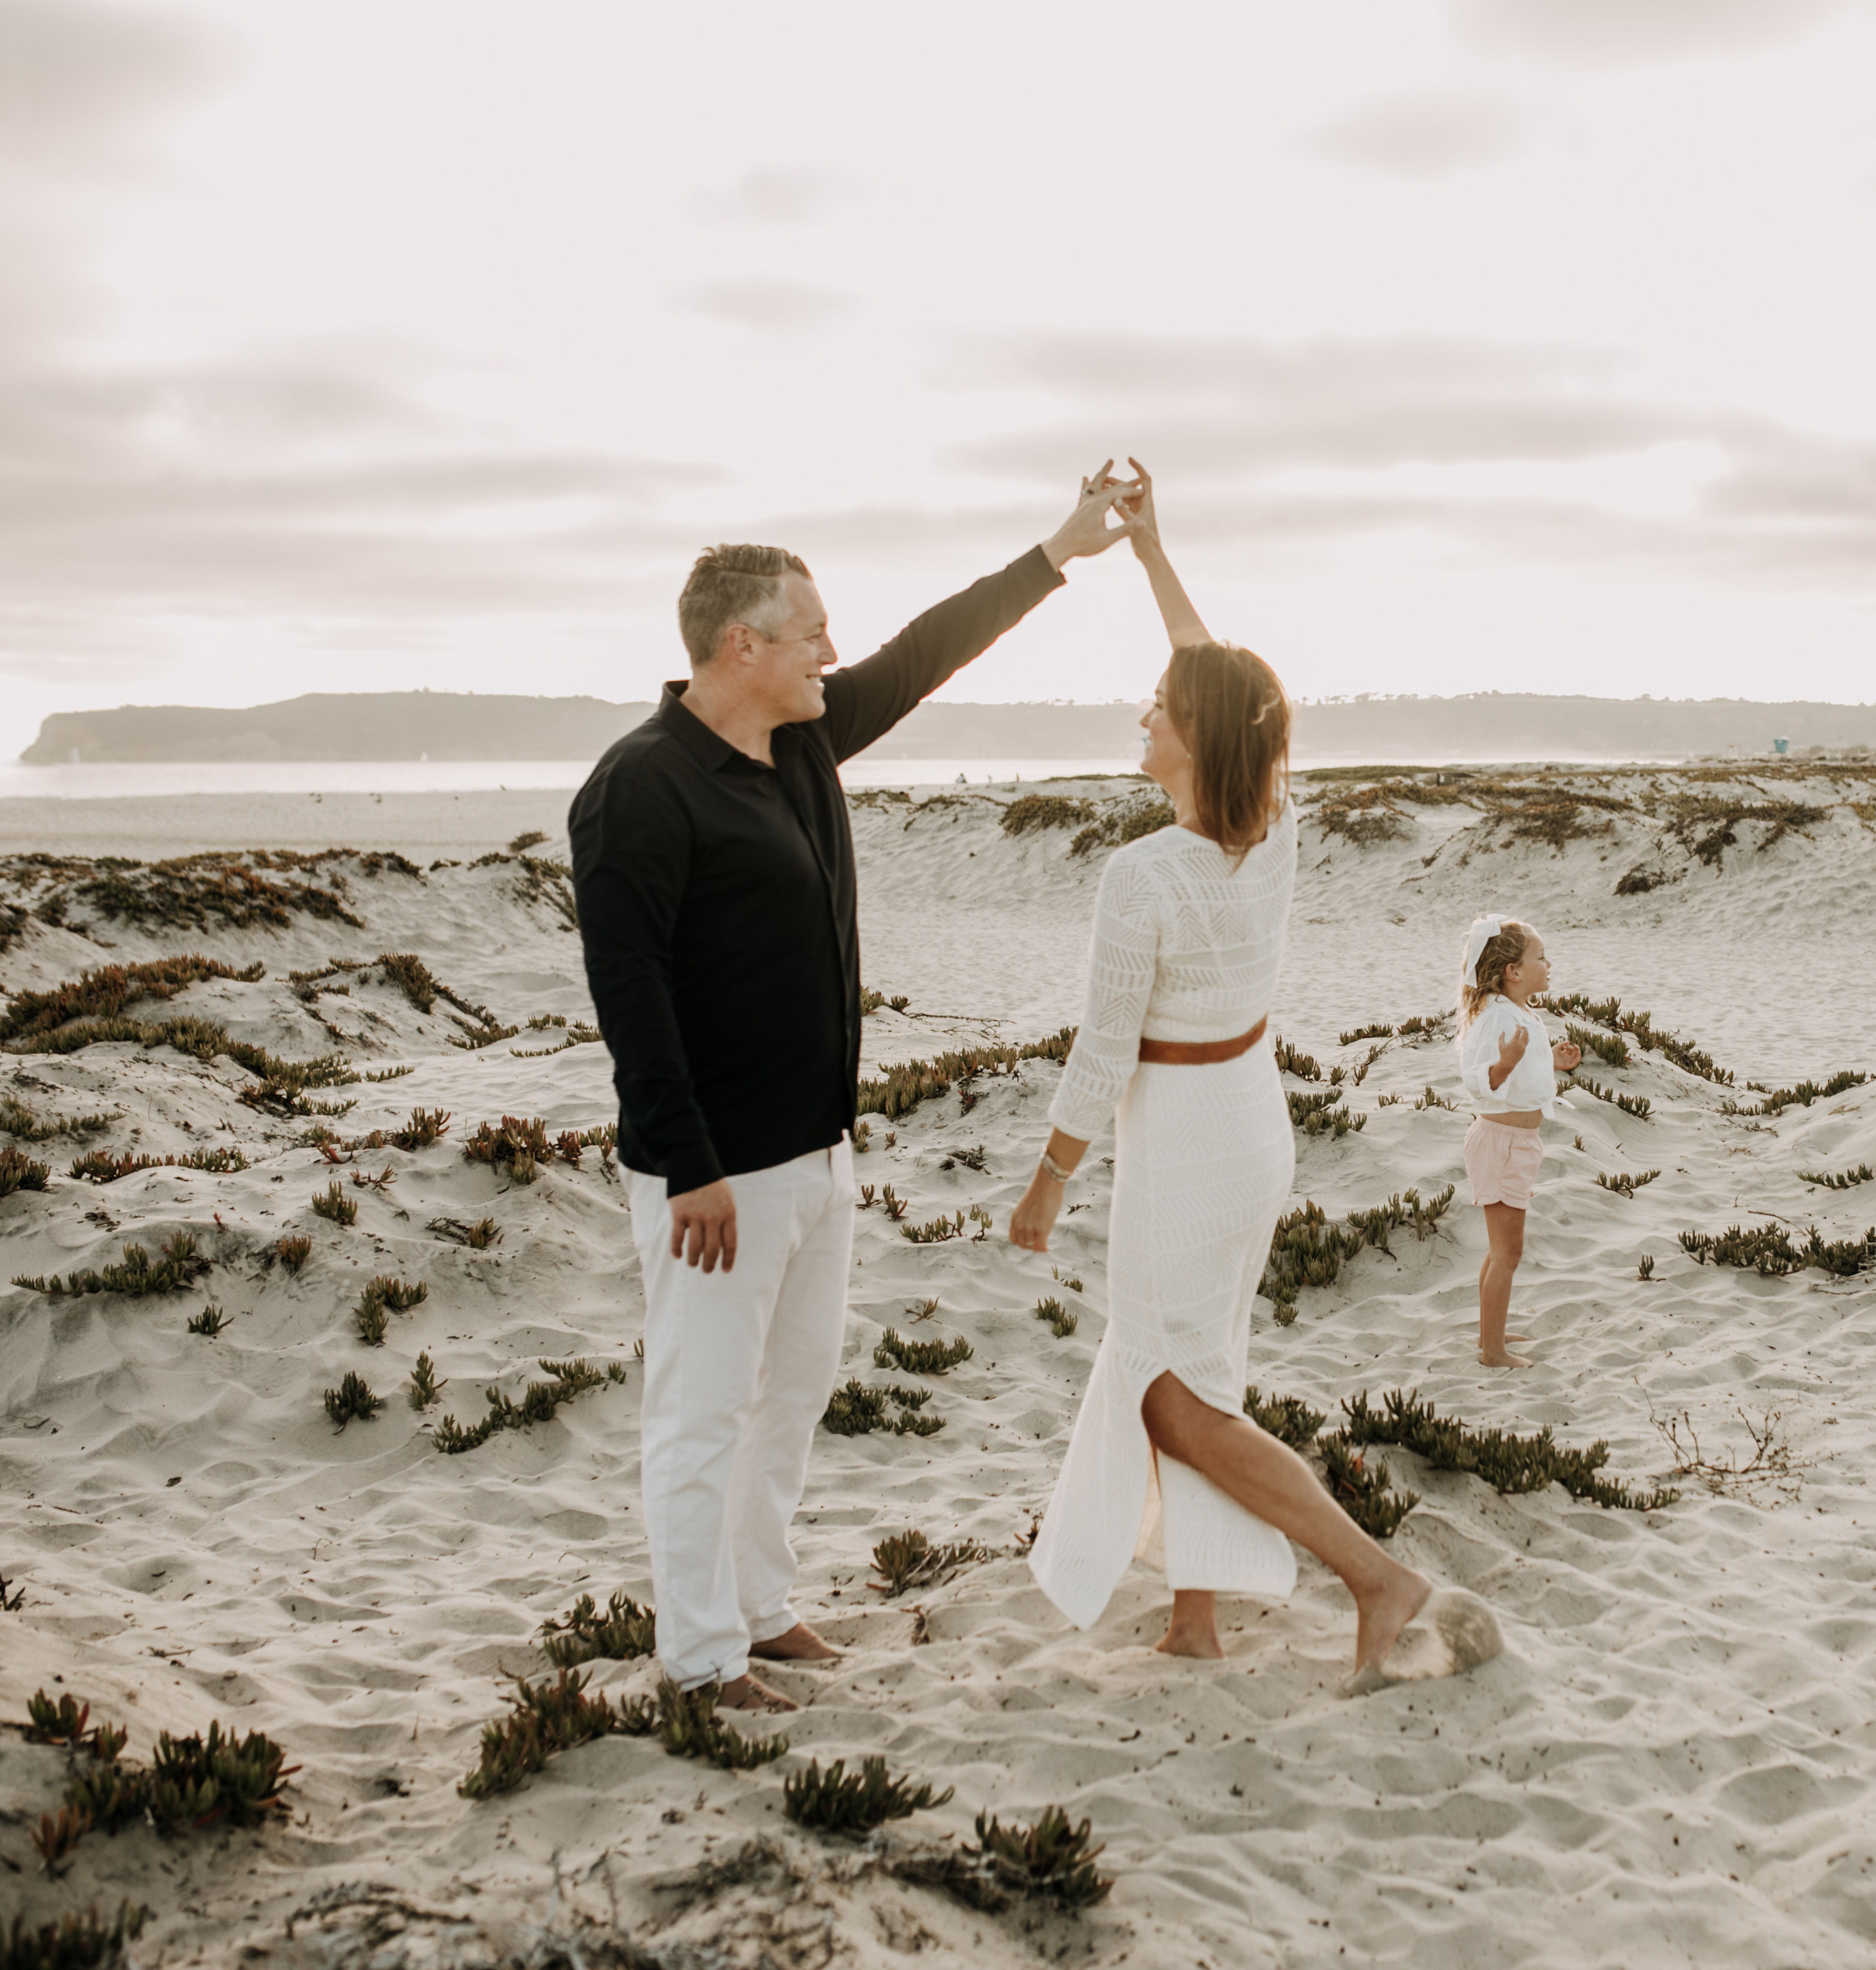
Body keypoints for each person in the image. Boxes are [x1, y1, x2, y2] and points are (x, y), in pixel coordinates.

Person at [569, 470, 1136, 1712]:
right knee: (701, 1413)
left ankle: (760, 1612)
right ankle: (698, 1660)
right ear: (742, 644)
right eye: (812, 631)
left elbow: (925, 653)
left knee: (793, 1396)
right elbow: (632, 995)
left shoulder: (804, 740)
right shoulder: (640, 787)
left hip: (818, 1155)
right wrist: (688, 1164)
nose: (834, 648)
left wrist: (1059, 551)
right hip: (716, 1169)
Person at [1011, 462, 1463, 1689]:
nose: (1141, 714)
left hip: (1182, 1136)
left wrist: (1049, 1182)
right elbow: (1223, 676)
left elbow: (1103, 1052)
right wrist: (1154, 557)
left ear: (1196, 734)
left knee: (1167, 1392)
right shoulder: (1273, 824)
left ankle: (1374, 1576)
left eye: (1158, 706)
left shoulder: (1145, 873)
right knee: (1195, 1366)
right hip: (1241, 1117)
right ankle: (1196, 1619)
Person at [1454, 917, 1580, 1368]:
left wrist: (1553, 1068)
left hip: (1515, 1142)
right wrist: (1504, 1065)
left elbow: (1521, 1077)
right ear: (1514, 971)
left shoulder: (1519, 1012)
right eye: (1540, 958)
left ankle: (1492, 1329)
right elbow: (1480, 1080)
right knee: (1509, 1252)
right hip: (1501, 1143)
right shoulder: (1495, 1017)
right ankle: (1492, 1352)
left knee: (1500, 1250)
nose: (1549, 964)